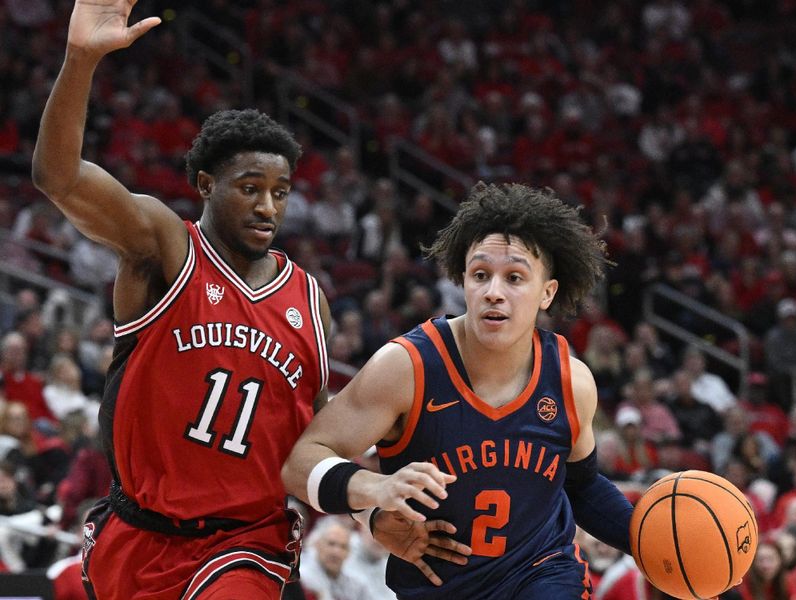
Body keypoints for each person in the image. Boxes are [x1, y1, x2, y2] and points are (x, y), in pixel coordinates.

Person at [31, 2, 333, 597]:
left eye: (280, 192)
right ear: (205, 185)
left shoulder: (307, 296)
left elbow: (324, 426)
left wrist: (377, 493)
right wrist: (81, 59)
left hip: (246, 544)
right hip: (138, 535)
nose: (268, 207)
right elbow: (58, 177)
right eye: (250, 189)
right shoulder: (166, 247)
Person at [283, 182, 635, 598]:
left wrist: (655, 542)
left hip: (543, 573)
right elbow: (299, 464)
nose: (493, 292)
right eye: (480, 275)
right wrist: (373, 495)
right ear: (462, 280)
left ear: (547, 293)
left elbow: (581, 486)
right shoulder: (407, 367)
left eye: (515, 277)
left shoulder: (570, 381)